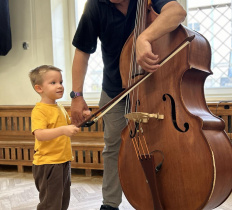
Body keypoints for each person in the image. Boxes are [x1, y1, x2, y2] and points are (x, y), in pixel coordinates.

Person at [70, 0, 186, 209]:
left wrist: (144, 37)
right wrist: (76, 95)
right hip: (114, 90)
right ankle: (110, 204)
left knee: (163, 142)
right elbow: (82, 52)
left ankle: (170, 196)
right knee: (113, 147)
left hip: (154, 88)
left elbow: (177, 11)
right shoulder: (95, 6)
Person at [29, 65, 80, 210]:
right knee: (50, 203)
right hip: (48, 164)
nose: (60, 86)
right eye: (53, 83)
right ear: (39, 88)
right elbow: (40, 134)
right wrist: (63, 130)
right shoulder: (39, 110)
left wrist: (81, 119)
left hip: (63, 160)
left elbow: (69, 126)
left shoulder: (60, 107)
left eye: (61, 82)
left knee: (63, 199)